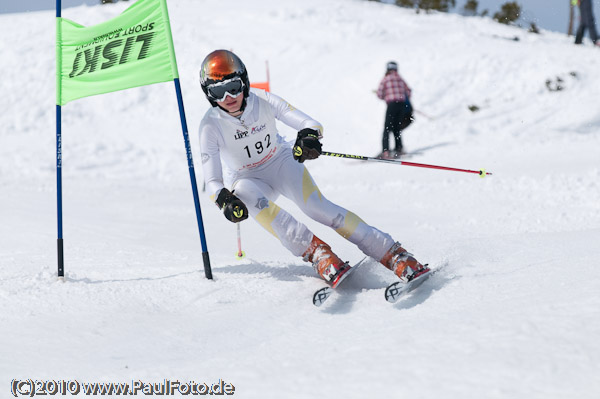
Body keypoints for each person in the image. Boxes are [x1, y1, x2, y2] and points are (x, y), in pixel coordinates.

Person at [197, 49, 429, 288]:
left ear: (244, 81)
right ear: (208, 94)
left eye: (233, 86)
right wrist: (224, 200)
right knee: (243, 193)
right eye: (217, 91)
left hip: (280, 163)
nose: (227, 96)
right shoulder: (210, 126)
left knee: (318, 208)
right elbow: (212, 180)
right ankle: (318, 254)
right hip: (248, 180)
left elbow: (310, 123)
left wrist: (308, 137)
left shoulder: (262, 99)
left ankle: (393, 254)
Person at [376, 61, 414, 160]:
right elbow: (408, 92)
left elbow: (379, 94)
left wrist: (387, 96)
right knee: (397, 127)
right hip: (401, 104)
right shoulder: (400, 79)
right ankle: (399, 149)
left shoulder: (386, 79)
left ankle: (386, 151)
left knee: (387, 128)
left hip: (392, 104)